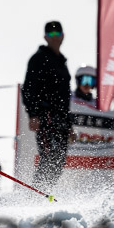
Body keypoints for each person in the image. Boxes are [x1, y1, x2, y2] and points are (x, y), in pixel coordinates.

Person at [21, 21, 73, 190]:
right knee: (49, 156)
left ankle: (45, 192)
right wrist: (33, 114)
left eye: (57, 33)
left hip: (61, 118)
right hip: (45, 116)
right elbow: (29, 88)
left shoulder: (62, 62)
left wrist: (69, 125)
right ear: (45, 37)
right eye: (50, 34)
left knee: (58, 159)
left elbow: (65, 99)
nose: (54, 37)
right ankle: (35, 196)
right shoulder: (38, 59)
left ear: (63, 35)